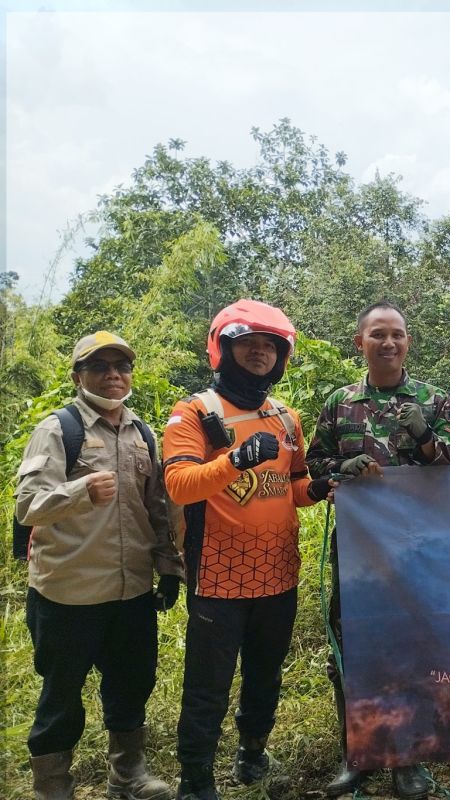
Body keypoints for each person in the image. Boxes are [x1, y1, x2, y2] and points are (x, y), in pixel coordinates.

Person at [162, 300, 334, 800]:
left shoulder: (285, 417)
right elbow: (179, 485)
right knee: (207, 686)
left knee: (265, 674)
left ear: (281, 357)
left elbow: (291, 487)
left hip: (278, 572)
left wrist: (318, 488)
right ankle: (195, 779)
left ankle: (252, 754)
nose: (259, 353)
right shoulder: (195, 412)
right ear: (224, 348)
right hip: (217, 576)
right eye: (248, 344)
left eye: (269, 347)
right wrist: (235, 460)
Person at [307, 300, 450, 799]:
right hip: (359, 552)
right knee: (352, 649)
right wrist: (342, 468)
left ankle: (408, 758)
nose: (389, 342)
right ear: (360, 342)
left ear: (408, 342)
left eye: (397, 334)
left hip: (419, 551)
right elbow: (314, 465)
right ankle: (358, 754)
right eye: (378, 334)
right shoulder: (339, 402)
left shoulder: (433, 401)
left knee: (413, 647)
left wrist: (424, 436)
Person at [16, 331, 184, 800]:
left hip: (131, 592)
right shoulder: (58, 429)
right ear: (78, 376)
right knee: (61, 696)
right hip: (68, 593)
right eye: (100, 367)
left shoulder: (142, 433)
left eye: (121, 366)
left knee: (131, 686)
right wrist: (80, 491)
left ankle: (127, 776)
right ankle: (53, 787)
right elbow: (27, 505)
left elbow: (157, 509)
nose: (113, 375)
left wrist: (170, 568)